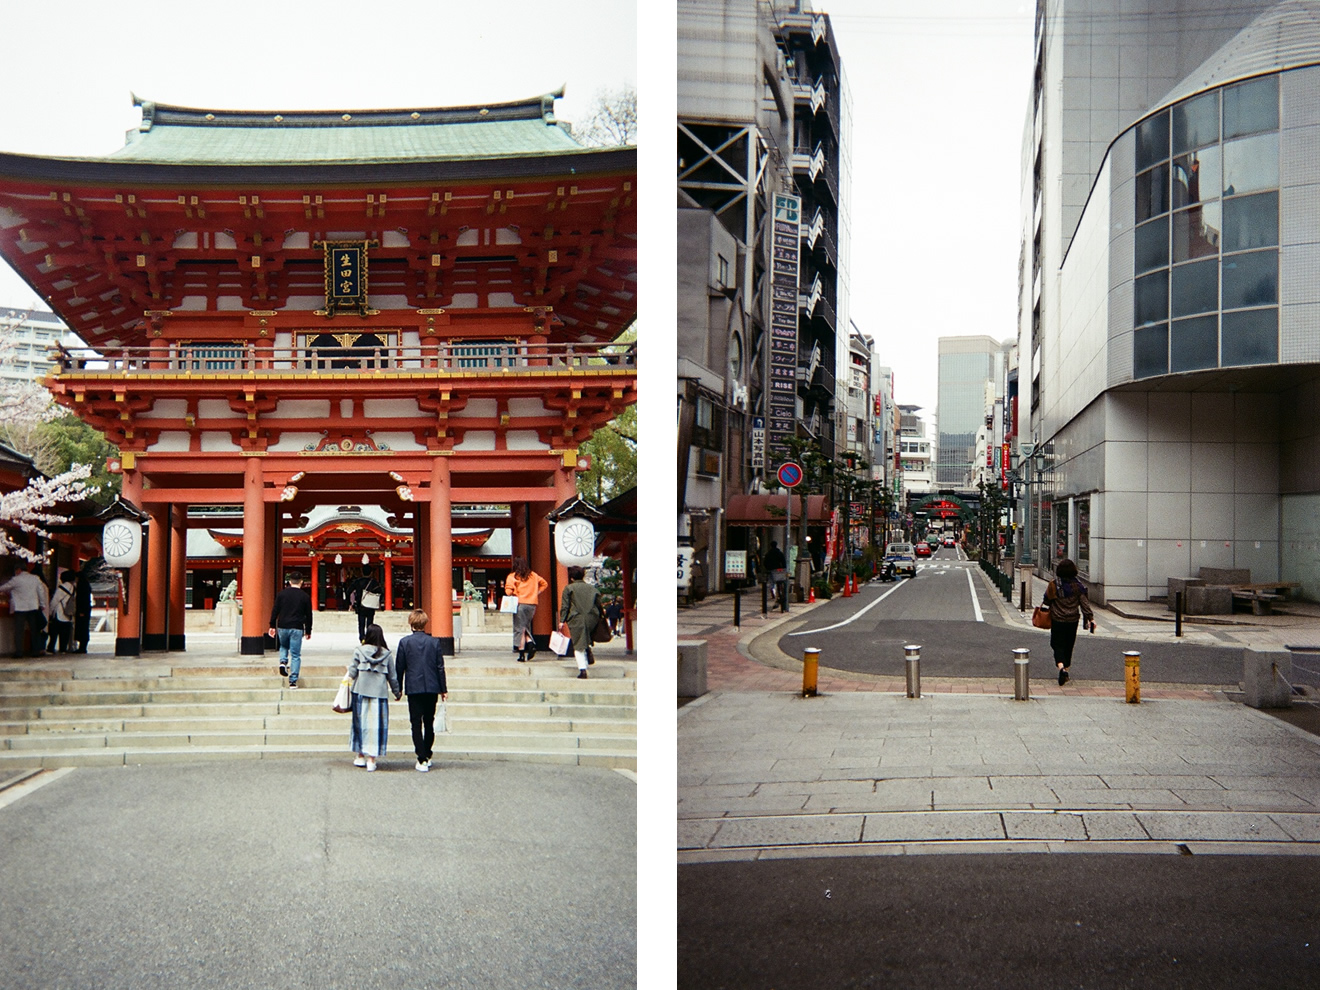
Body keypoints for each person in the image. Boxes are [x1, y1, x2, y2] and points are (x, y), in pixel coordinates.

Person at [394, 608, 448, 772]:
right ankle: (427, 753)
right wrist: (443, 688)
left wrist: (398, 688)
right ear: (425, 623)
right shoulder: (434, 642)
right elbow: (440, 667)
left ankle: (421, 756)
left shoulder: (404, 642)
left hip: (414, 686)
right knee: (429, 722)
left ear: (411, 623)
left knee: (416, 723)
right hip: (431, 686)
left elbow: (400, 667)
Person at [347, 623, 399, 772]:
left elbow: (352, 672)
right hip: (379, 693)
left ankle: (360, 755)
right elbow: (393, 677)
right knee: (376, 726)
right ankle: (372, 759)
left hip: (360, 691)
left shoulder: (359, 651)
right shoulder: (387, 654)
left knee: (360, 724)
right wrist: (397, 692)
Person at [1042, 558, 1096, 685]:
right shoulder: (1078, 586)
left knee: (1057, 644)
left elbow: (1046, 601)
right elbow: (1084, 604)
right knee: (1069, 645)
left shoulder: (1054, 585)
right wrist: (1091, 618)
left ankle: (1061, 667)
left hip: (1057, 619)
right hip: (1072, 620)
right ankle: (1066, 669)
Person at [267, 574, 313, 689]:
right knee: (296, 655)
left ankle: (283, 661)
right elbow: (309, 615)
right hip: (297, 626)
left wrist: (272, 625)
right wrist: (308, 630)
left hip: (283, 625)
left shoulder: (282, 594)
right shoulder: (305, 596)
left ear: (290, 582)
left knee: (283, 646)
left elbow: (275, 609)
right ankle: (293, 681)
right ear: (301, 582)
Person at [559, 565, 602, 680]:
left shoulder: (569, 588)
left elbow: (565, 606)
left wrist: (562, 620)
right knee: (585, 637)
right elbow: (598, 604)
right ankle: (588, 650)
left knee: (578, 644)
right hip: (592, 617)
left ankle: (582, 669)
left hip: (576, 617)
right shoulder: (592, 589)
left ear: (571, 577)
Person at [503, 556, 548, 662]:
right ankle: (530, 644)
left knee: (519, 628)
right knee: (524, 627)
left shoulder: (513, 576)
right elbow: (544, 583)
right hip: (532, 604)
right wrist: (536, 593)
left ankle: (522, 653)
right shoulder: (533, 575)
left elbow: (508, 592)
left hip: (519, 604)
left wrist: (513, 591)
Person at [0, 563, 49, 656]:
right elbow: (41, 592)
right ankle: (35, 651)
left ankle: (19, 652)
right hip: (33, 607)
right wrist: (42, 604)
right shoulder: (35, 578)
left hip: (20, 607)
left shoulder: (16, 580)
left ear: (18, 570)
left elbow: (4, 587)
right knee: (34, 630)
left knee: (19, 630)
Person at [351, 567, 383, 643]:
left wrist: (351, 603)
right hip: (370, 606)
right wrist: (378, 601)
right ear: (371, 573)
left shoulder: (357, 582)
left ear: (362, 572)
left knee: (361, 623)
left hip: (360, 605)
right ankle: (369, 638)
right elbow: (381, 593)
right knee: (369, 623)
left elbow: (349, 590)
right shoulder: (374, 582)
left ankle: (362, 638)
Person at [47, 570, 76, 654]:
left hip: (59, 612)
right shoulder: (74, 588)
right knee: (65, 633)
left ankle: (51, 647)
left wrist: (50, 612)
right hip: (68, 613)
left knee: (54, 632)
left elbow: (55, 601)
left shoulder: (61, 588)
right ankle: (63, 648)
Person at [73, 567, 93, 653]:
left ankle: (82, 647)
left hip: (82, 610)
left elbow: (82, 600)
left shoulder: (82, 587)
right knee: (84, 628)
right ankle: (82, 646)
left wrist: (81, 611)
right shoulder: (86, 586)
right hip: (86, 610)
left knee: (82, 628)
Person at [763, 540, 787, 606]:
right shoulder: (779, 553)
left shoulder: (768, 554)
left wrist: (768, 568)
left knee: (771, 582)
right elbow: (783, 561)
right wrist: (784, 568)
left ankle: (773, 591)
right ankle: (779, 593)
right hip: (779, 569)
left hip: (771, 569)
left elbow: (765, 563)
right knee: (780, 581)